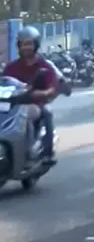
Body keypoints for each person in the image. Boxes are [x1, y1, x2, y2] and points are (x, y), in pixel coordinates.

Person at [2, 26, 58, 164]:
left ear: (36, 44)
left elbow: (52, 89)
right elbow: (4, 83)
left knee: (32, 114)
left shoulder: (45, 66)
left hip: (34, 103)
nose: (25, 47)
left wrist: (41, 93)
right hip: (13, 104)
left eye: (29, 44)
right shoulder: (11, 67)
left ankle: (38, 152)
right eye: (22, 44)